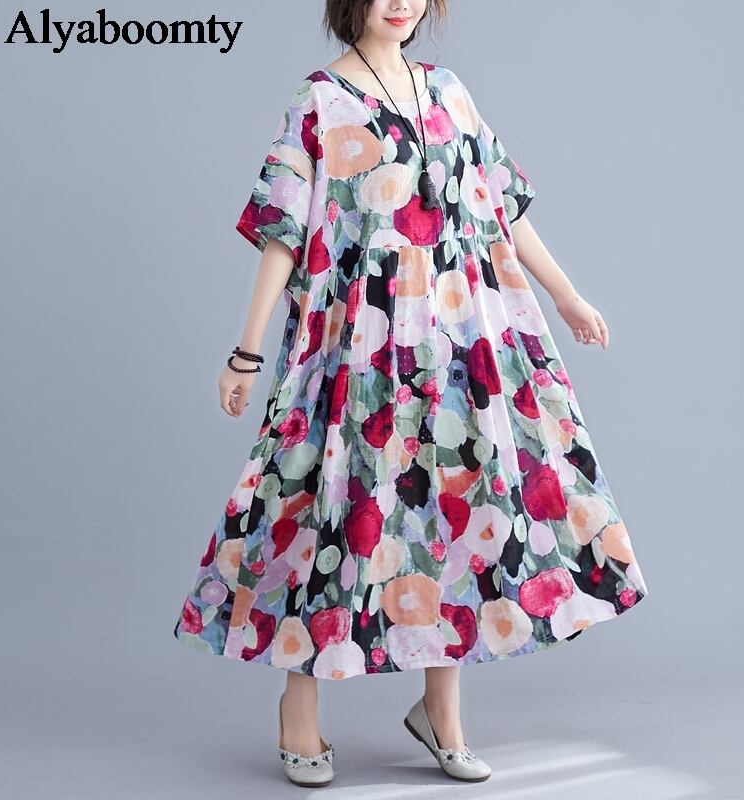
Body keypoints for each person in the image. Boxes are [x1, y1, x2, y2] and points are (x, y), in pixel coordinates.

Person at [173, 0, 650, 787]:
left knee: (455, 509)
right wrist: (246, 351)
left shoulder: (449, 90)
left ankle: (442, 714)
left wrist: (567, 296)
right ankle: (299, 708)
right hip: (356, 343)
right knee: (328, 509)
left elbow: (501, 209)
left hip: (459, 342)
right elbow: (281, 232)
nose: (402, 1)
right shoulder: (319, 101)